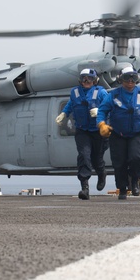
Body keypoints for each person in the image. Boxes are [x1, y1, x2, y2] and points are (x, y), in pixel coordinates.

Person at [97, 64, 140, 200]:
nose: (130, 82)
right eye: (127, 78)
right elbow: (102, 111)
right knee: (119, 162)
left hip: (137, 134)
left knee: (136, 158)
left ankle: (135, 180)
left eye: (133, 79)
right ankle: (122, 188)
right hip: (118, 134)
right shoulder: (113, 95)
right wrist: (102, 124)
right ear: (121, 80)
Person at [56, 68, 109, 200]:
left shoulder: (101, 92)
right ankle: (84, 187)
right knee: (84, 156)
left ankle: (101, 172)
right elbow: (71, 104)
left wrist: (100, 112)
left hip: (97, 131)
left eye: (90, 78)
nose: (86, 81)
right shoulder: (75, 92)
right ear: (80, 80)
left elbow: (110, 108)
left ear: (95, 80)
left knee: (97, 159)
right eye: (84, 78)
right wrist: (64, 113)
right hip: (82, 131)